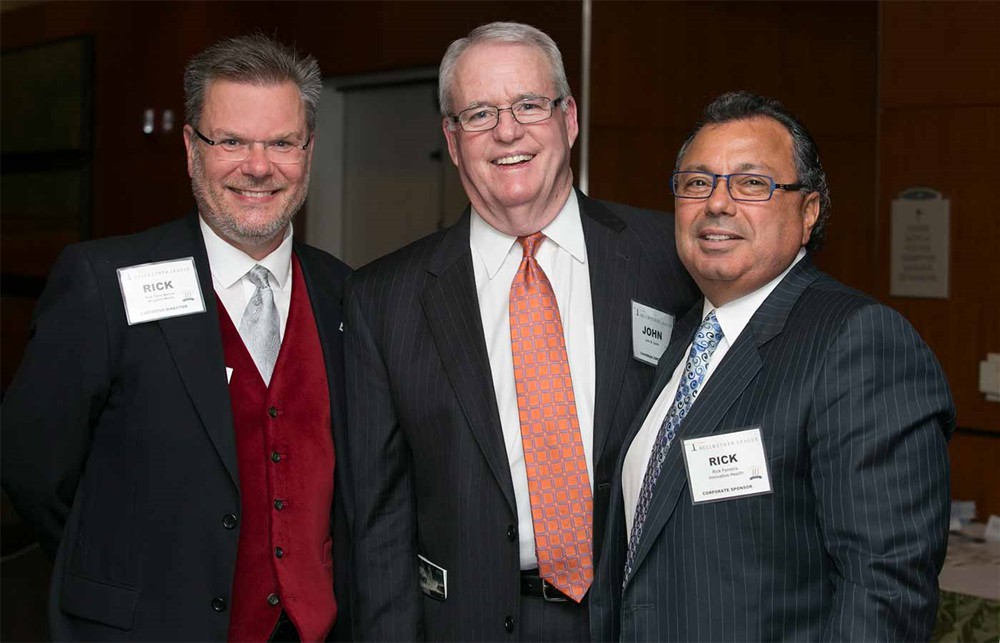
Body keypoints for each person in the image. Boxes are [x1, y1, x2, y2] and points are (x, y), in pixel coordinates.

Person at [344, 21, 699, 642]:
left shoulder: (669, 262)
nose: (507, 131)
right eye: (479, 113)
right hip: (466, 623)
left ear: (569, 118)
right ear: (452, 142)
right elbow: (378, 523)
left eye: (529, 105)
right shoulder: (383, 300)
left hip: (640, 618)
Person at [1, 34, 352, 642]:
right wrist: (120, 575)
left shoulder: (346, 294)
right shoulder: (102, 284)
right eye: (232, 141)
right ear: (191, 149)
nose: (259, 166)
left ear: (309, 150)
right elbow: (34, 468)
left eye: (281, 142)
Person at [589, 91, 955, 642]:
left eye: (752, 183)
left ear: (809, 213)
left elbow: (886, 592)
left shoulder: (857, 342)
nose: (717, 203)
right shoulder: (685, 334)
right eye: (697, 182)